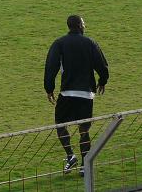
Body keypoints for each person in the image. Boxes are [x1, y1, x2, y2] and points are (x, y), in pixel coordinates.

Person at [44, 15, 110, 174]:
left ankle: (70, 155)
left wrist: (49, 88)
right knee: (84, 130)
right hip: (86, 94)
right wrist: (102, 81)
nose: (85, 26)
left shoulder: (59, 43)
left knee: (60, 125)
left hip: (67, 93)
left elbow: (51, 67)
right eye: (84, 23)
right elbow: (102, 65)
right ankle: (84, 165)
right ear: (80, 25)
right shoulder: (90, 43)